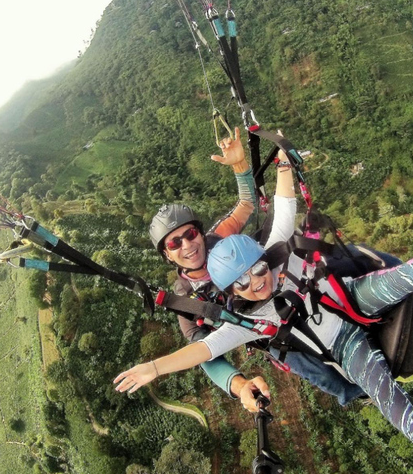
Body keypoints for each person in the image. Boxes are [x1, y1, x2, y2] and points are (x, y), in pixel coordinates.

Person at [117, 197, 413, 472]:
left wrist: (271, 154)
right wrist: (155, 367)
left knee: (403, 276)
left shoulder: (274, 252)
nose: (257, 282)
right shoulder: (241, 320)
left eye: (260, 270)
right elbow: (205, 350)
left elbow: (281, 208)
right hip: (338, 344)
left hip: (350, 297)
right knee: (374, 380)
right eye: (243, 283)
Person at [148, 127, 366, 412]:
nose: (187, 245)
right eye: (175, 243)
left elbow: (247, 204)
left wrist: (240, 165)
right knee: (300, 361)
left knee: (342, 257)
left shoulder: (219, 237)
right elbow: (203, 352)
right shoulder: (186, 298)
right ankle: (353, 392)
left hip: (274, 275)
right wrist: (238, 385)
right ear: (167, 255)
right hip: (264, 325)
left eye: (190, 235)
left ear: (200, 233)